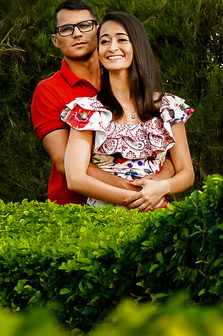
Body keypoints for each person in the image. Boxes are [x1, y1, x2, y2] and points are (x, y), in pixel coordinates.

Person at [30, 0, 173, 206]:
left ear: (97, 30)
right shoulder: (48, 91)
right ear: (55, 40)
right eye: (66, 29)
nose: (77, 34)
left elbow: (161, 150)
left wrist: (159, 183)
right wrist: (135, 189)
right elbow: (64, 163)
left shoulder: (123, 74)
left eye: (85, 25)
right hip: (77, 209)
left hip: (147, 202)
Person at [62, 12, 195, 211]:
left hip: (157, 213)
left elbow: (186, 172)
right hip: (103, 220)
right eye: (104, 41)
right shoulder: (87, 111)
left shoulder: (168, 107)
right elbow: (75, 178)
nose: (112, 47)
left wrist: (161, 188)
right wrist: (139, 198)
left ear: (137, 46)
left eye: (122, 39)